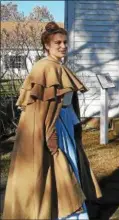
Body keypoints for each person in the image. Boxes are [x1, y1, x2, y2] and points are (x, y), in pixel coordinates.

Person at [3, 22, 102, 219]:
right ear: (47, 45)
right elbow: (40, 109)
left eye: (65, 42)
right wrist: (49, 134)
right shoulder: (44, 67)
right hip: (50, 128)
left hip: (63, 125)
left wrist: (75, 126)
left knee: (69, 169)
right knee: (57, 172)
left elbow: (65, 104)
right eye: (58, 42)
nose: (63, 46)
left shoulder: (58, 66)